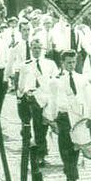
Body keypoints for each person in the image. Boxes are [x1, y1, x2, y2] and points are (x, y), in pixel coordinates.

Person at [52, 50, 91, 181]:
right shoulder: (56, 80)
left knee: (76, 146)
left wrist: (89, 115)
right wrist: (52, 120)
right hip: (63, 117)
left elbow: (89, 98)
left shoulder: (82, 79)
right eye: (68, 62)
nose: (71, 65)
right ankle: (71, 176)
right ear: (62, 63)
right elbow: (52, 101)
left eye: (73, 62)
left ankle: (72, 173)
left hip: (78, 117)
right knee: (65, 147)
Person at [17, 38, 59, 166]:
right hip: (32, 96)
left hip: (46, 96)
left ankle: (41, 150)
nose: (36, 50)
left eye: (39, 48)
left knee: (44, 124)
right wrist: (23, 94)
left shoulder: (50, 64)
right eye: (34, 48)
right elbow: (21, 84)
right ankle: (40, 153)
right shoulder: (25, 65)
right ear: (31, 49)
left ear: (42, 49)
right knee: (37, 124)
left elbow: (55, 80)